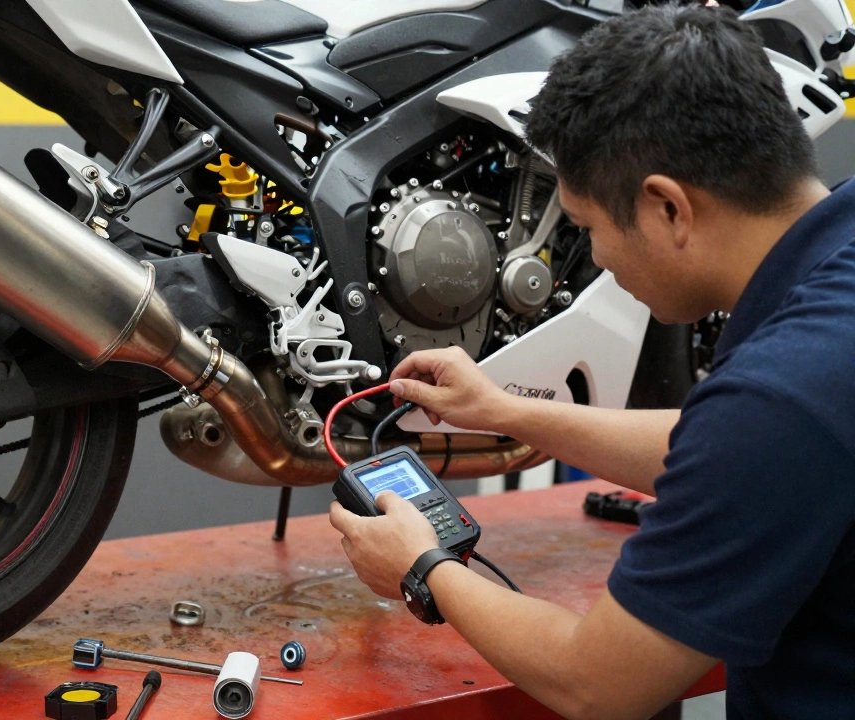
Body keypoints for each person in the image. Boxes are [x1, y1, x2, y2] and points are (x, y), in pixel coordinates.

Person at [328, 5, 855, 720]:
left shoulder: (778, 399)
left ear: (668, 207)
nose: (597, 257)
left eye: (589, 228)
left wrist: (424, 568)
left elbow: (598, 684)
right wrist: (507, 412)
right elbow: (733, 451)